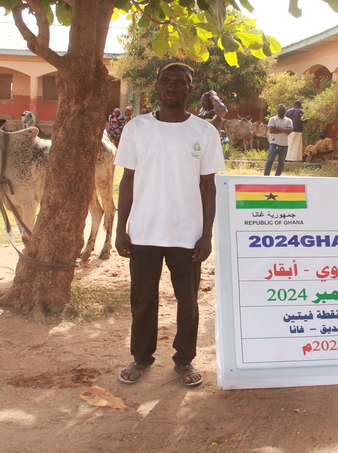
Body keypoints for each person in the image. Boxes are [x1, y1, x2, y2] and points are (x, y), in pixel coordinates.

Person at [114, 62, 225, 387]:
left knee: (187, 302)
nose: (172, 87)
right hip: (144, 231)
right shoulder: (137, 128)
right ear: (157, 86)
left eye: (179, 82)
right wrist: (121, 229)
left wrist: (206, 234)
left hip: (187, 233)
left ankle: (184, 360)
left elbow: (208, 186)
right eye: (166, 81)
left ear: (190, 89)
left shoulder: (204, 132)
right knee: (143, 300)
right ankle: (141, 358)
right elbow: (127, 181)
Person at [263, 104, 293, 176]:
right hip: (274, 143)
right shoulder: (273, 119)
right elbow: (272, 131)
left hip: (284, 144)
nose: (282, 111)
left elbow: (290, 131)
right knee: (270, 160)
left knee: (281, 162)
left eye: (283, 110)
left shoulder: (288, 120)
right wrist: (284, 130)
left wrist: (278, 128)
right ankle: (266, 176)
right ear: (277, 110)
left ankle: (277, 176)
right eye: (280, 110)